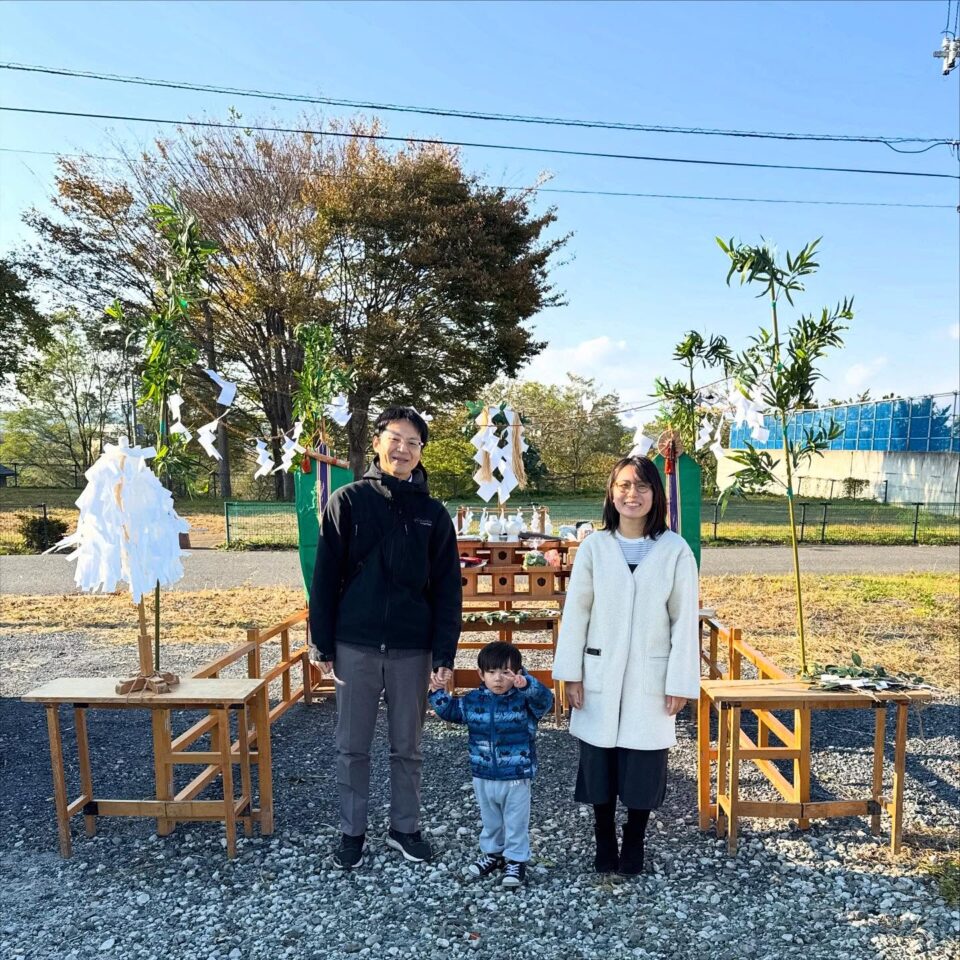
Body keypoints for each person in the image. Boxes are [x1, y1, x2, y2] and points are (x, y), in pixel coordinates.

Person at [308, 406, 462, 869]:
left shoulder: (433, 514)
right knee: (352, 744)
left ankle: (404, 827)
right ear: (378, 442)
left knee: (408, 746)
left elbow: (448, 588)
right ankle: (352, 832)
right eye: (396, 438)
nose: (403, 449)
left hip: (411, 648)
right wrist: (323, 642)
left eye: (413, 443)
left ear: (420, 453)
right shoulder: (349, 501)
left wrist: (444, 653)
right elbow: (325, 578)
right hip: (356, 643)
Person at [552, 455, 700, 875]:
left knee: (643, 762)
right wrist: (571, 674)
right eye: (623, 485)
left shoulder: (674, 550)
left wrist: (680, 681)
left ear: (656, 495)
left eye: (642, 486)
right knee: (599, 760)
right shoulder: (596, 548)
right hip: (599, 669)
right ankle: (604, 839)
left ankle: (634, 840)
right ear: (611, 492)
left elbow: (683, 620)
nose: (632, 494)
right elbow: (577, 612)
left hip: (650, 675)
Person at [428, 641, 554, 888]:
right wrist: (436, 693)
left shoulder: (524, 701)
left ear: (517, 673)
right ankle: (493, 855)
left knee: (516, 820)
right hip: (483, 772)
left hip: (516, 773)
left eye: (506, 672)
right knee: (491, 818)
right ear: (481, 674)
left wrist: (527, 685)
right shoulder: (473, 700)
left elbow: (545, 701)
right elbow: (451, 712)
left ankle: (516, 860)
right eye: (492, 672)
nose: (498, 679)